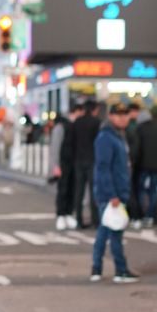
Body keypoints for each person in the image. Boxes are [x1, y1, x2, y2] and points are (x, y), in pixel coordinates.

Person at [90, 102, 139, 282]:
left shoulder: (118, 136)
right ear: (110, 116)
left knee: (105, 231)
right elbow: (103, 168)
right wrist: (112, 195)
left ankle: (97, 268)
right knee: (116, 232)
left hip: (117, 191)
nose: (123, 118)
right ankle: (120, 269)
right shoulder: (106, 137)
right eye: (118, 115)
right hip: (111, 194)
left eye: (125, 114)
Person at [132, 107, 157, 228]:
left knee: (140, 190)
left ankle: (141, 214)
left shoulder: (139, 130)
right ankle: (150, 216)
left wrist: (134, 161)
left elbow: (136, 149)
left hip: (142, 166)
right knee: (153, 191)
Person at [50, 103, 81, 230]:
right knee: (62, 189)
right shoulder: (61, 126)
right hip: (63, 163)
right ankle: (60, 215)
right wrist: (55, 165)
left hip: (74, 162)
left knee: (72, 189)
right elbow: (55, 147)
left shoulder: (75, 126)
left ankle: (68, 214)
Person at [71, 98, 100, 229]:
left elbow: (72, 142)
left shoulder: (77, 122)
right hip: (92, 159)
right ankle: (95, 220)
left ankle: (78, 220)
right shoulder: (97, 123)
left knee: (79, 192)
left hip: (78, 160)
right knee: (94, 191)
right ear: (94, 109)